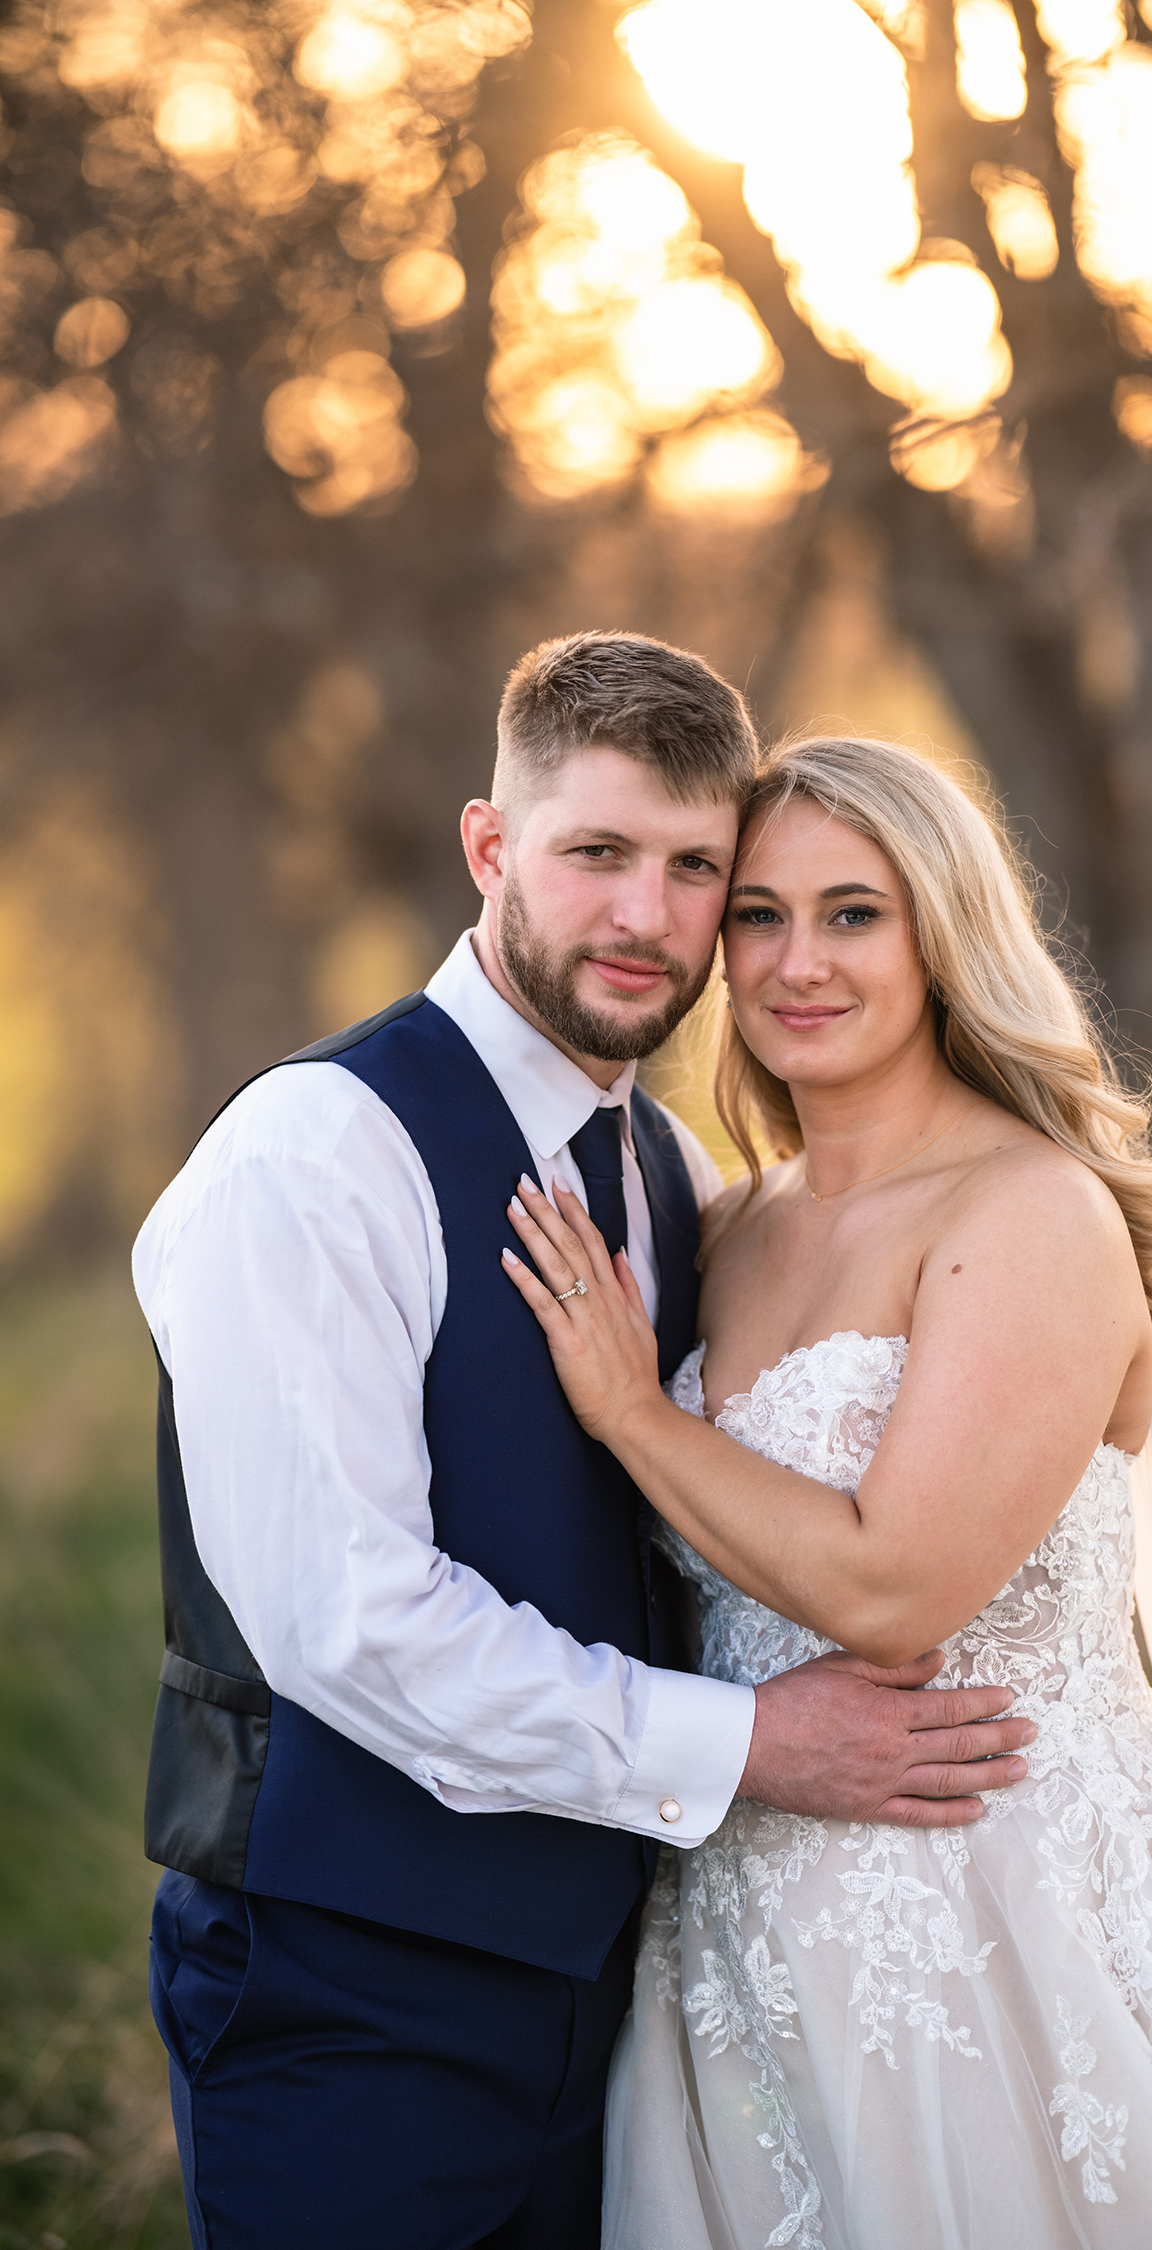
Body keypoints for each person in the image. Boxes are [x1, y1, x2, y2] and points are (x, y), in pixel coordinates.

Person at [505, 734, 1152, 2250]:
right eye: (760, 913)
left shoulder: (1028, 1211)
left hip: (1013, 1925)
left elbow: (893, 1588)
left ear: (945, 935)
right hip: (749, 1927)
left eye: (856, 913)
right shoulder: (738, 1220)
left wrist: (635, 1413)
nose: (795, 963)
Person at [132, 647, 1035, 2250]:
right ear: (492, 849)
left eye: (699, 869)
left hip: (618, 2007)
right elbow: (345, 1614)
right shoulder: (315, 1155)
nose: (648, 917)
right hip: (354, 1996)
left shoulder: (678, 1172)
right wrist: (745, 1744)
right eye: (596, 853)